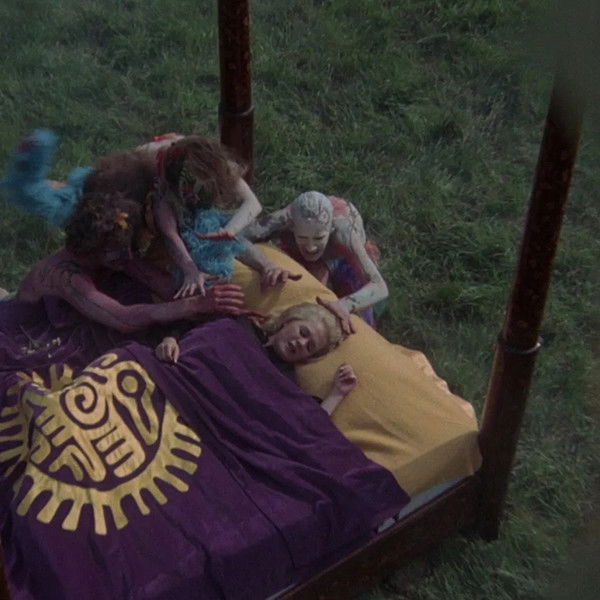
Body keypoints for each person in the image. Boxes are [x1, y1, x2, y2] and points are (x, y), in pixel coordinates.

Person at [15, 191, 250, 333]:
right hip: (34, 329)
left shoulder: (112, 254)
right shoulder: (65, 275)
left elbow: (164, 286)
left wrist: (201, 290)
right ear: (91, 251)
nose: (127, 256)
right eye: (118, 252)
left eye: (127, 247)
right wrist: (194, 305)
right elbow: (122, 319)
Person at [151, 134, 299, 298]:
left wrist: (229, 230)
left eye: (201, 188)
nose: (194, 195)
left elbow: (252, 203)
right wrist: (190, 271)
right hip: (162, 170)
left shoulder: (221, 169)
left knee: (228, 234)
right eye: (188, 189)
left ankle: (273, 252)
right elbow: (170, 235)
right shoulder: (166, 193)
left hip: (190, 166)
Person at [155, 302, 358, 415]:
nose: (301, 343)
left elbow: (303, 426)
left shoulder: (284, 381)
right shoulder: (239, 323)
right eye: (303, 332)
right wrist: (170, 339)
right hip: (173, 380)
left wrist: (336, 394)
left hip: (205, 417)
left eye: (310, 347)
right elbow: (190, 326)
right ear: (289, 321)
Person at [242, 191, 388, 334]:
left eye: (319, 238)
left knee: (355, 315)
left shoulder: (343, 233)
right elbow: (237, 236)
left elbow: (379, 286)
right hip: (300, 248)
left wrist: (344, 305)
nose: (310, 247)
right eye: (303, 237)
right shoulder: (284, 219)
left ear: (331, 228)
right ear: (292, 226)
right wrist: (266, 265)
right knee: (303, 293)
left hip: (340, 256)